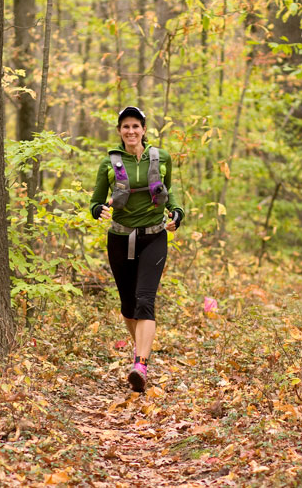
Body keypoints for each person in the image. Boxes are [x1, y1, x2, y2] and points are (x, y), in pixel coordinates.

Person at [90, 106, 184, 392]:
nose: (131, 131)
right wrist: (98, 210)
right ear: (120, 131)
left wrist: (176, 212)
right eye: (126, 126)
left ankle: (140, 364)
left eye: (135, 126)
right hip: (120, 238)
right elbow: (95, 201)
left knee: (145, 300)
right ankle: (140, 351)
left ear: (143, 130)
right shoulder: (109, 163)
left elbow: (170, 192)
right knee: (129, 307)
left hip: (154, 237)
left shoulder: (161, 157)